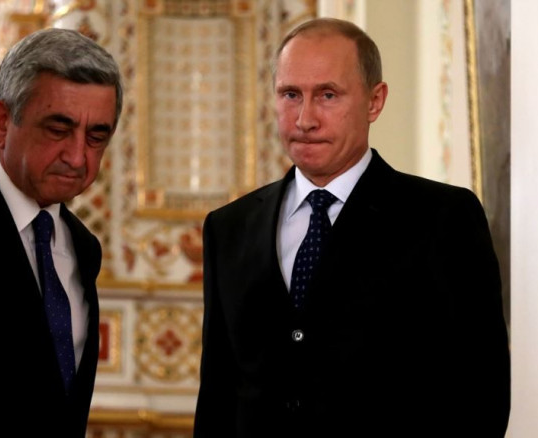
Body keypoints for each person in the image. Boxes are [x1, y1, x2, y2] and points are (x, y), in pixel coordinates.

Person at [194, 18, 510, 437]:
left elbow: (481, 396)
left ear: (374, 101)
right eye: (291, 94)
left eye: (327, 95)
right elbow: (217, 398)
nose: (305, 119)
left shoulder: (443, 218)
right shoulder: (228, 228)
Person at [0, 28, 122, 437]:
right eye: (58, 130)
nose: (77, 157)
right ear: (2, 122)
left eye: (96, 137)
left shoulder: (83, 247)